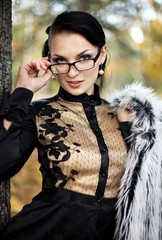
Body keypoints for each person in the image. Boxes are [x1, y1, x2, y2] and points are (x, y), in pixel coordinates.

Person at [0, 11, 161, 240]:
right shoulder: (39, 112)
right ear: (50, 62)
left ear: (102, 54)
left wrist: (128, 129)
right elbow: (3, 164)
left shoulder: (127, 115)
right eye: (60, 61)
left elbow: (147, 184)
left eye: (84, 57)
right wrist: (23, 92)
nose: (72, 72)